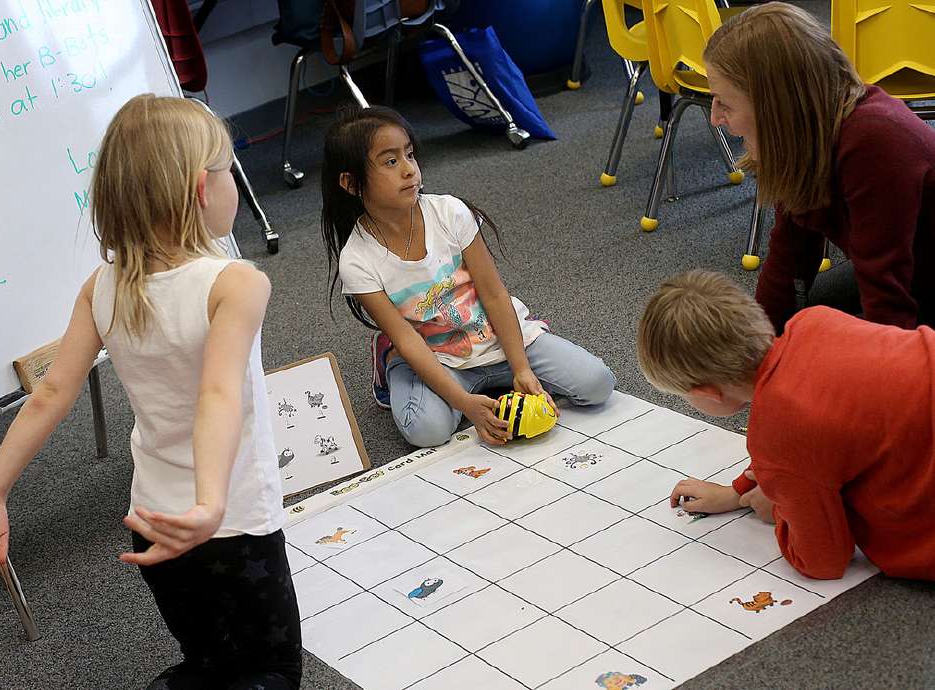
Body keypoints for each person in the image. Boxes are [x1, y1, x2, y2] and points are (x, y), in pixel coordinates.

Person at [0, 95, 301, 689]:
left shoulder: (103, 284)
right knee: (269, 672)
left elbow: (50, 393)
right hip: (230, 520)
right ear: (200, 189)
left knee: (209, 661)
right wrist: (211, 504)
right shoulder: (236, 282)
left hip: (149, 521)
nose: (234, 184)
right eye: (228, 169)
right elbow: (219, 393)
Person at [320, 106, 614, 448]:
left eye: (410, 155)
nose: (409, 170)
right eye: (390, 161)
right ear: (351, 183)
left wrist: (521, 369)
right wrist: (465, 405)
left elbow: (493, 294)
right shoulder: (357, 259)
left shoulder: (448, 211)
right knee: (426, 431)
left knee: (598, 384)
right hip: (436, 356)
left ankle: (499, 380)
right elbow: (410, 340)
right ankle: (390, 365)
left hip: (497, 340)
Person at [638, 270, 935, 581]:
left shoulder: (778, 436)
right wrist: (737, 492)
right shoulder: (813, 320)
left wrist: (778, 512)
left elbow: (824, 562)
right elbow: (816, 436)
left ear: (707, 393)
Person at [705, 3, 935, 333]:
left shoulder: (874, 142)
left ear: (774, 105)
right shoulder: (805, 139)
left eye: (724, 103)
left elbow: (889, 309)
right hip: (910, 273)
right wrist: (756, 351)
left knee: (821, 344)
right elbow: (789, 261)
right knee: (783, 328)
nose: (715, 118)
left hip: (916, 288)